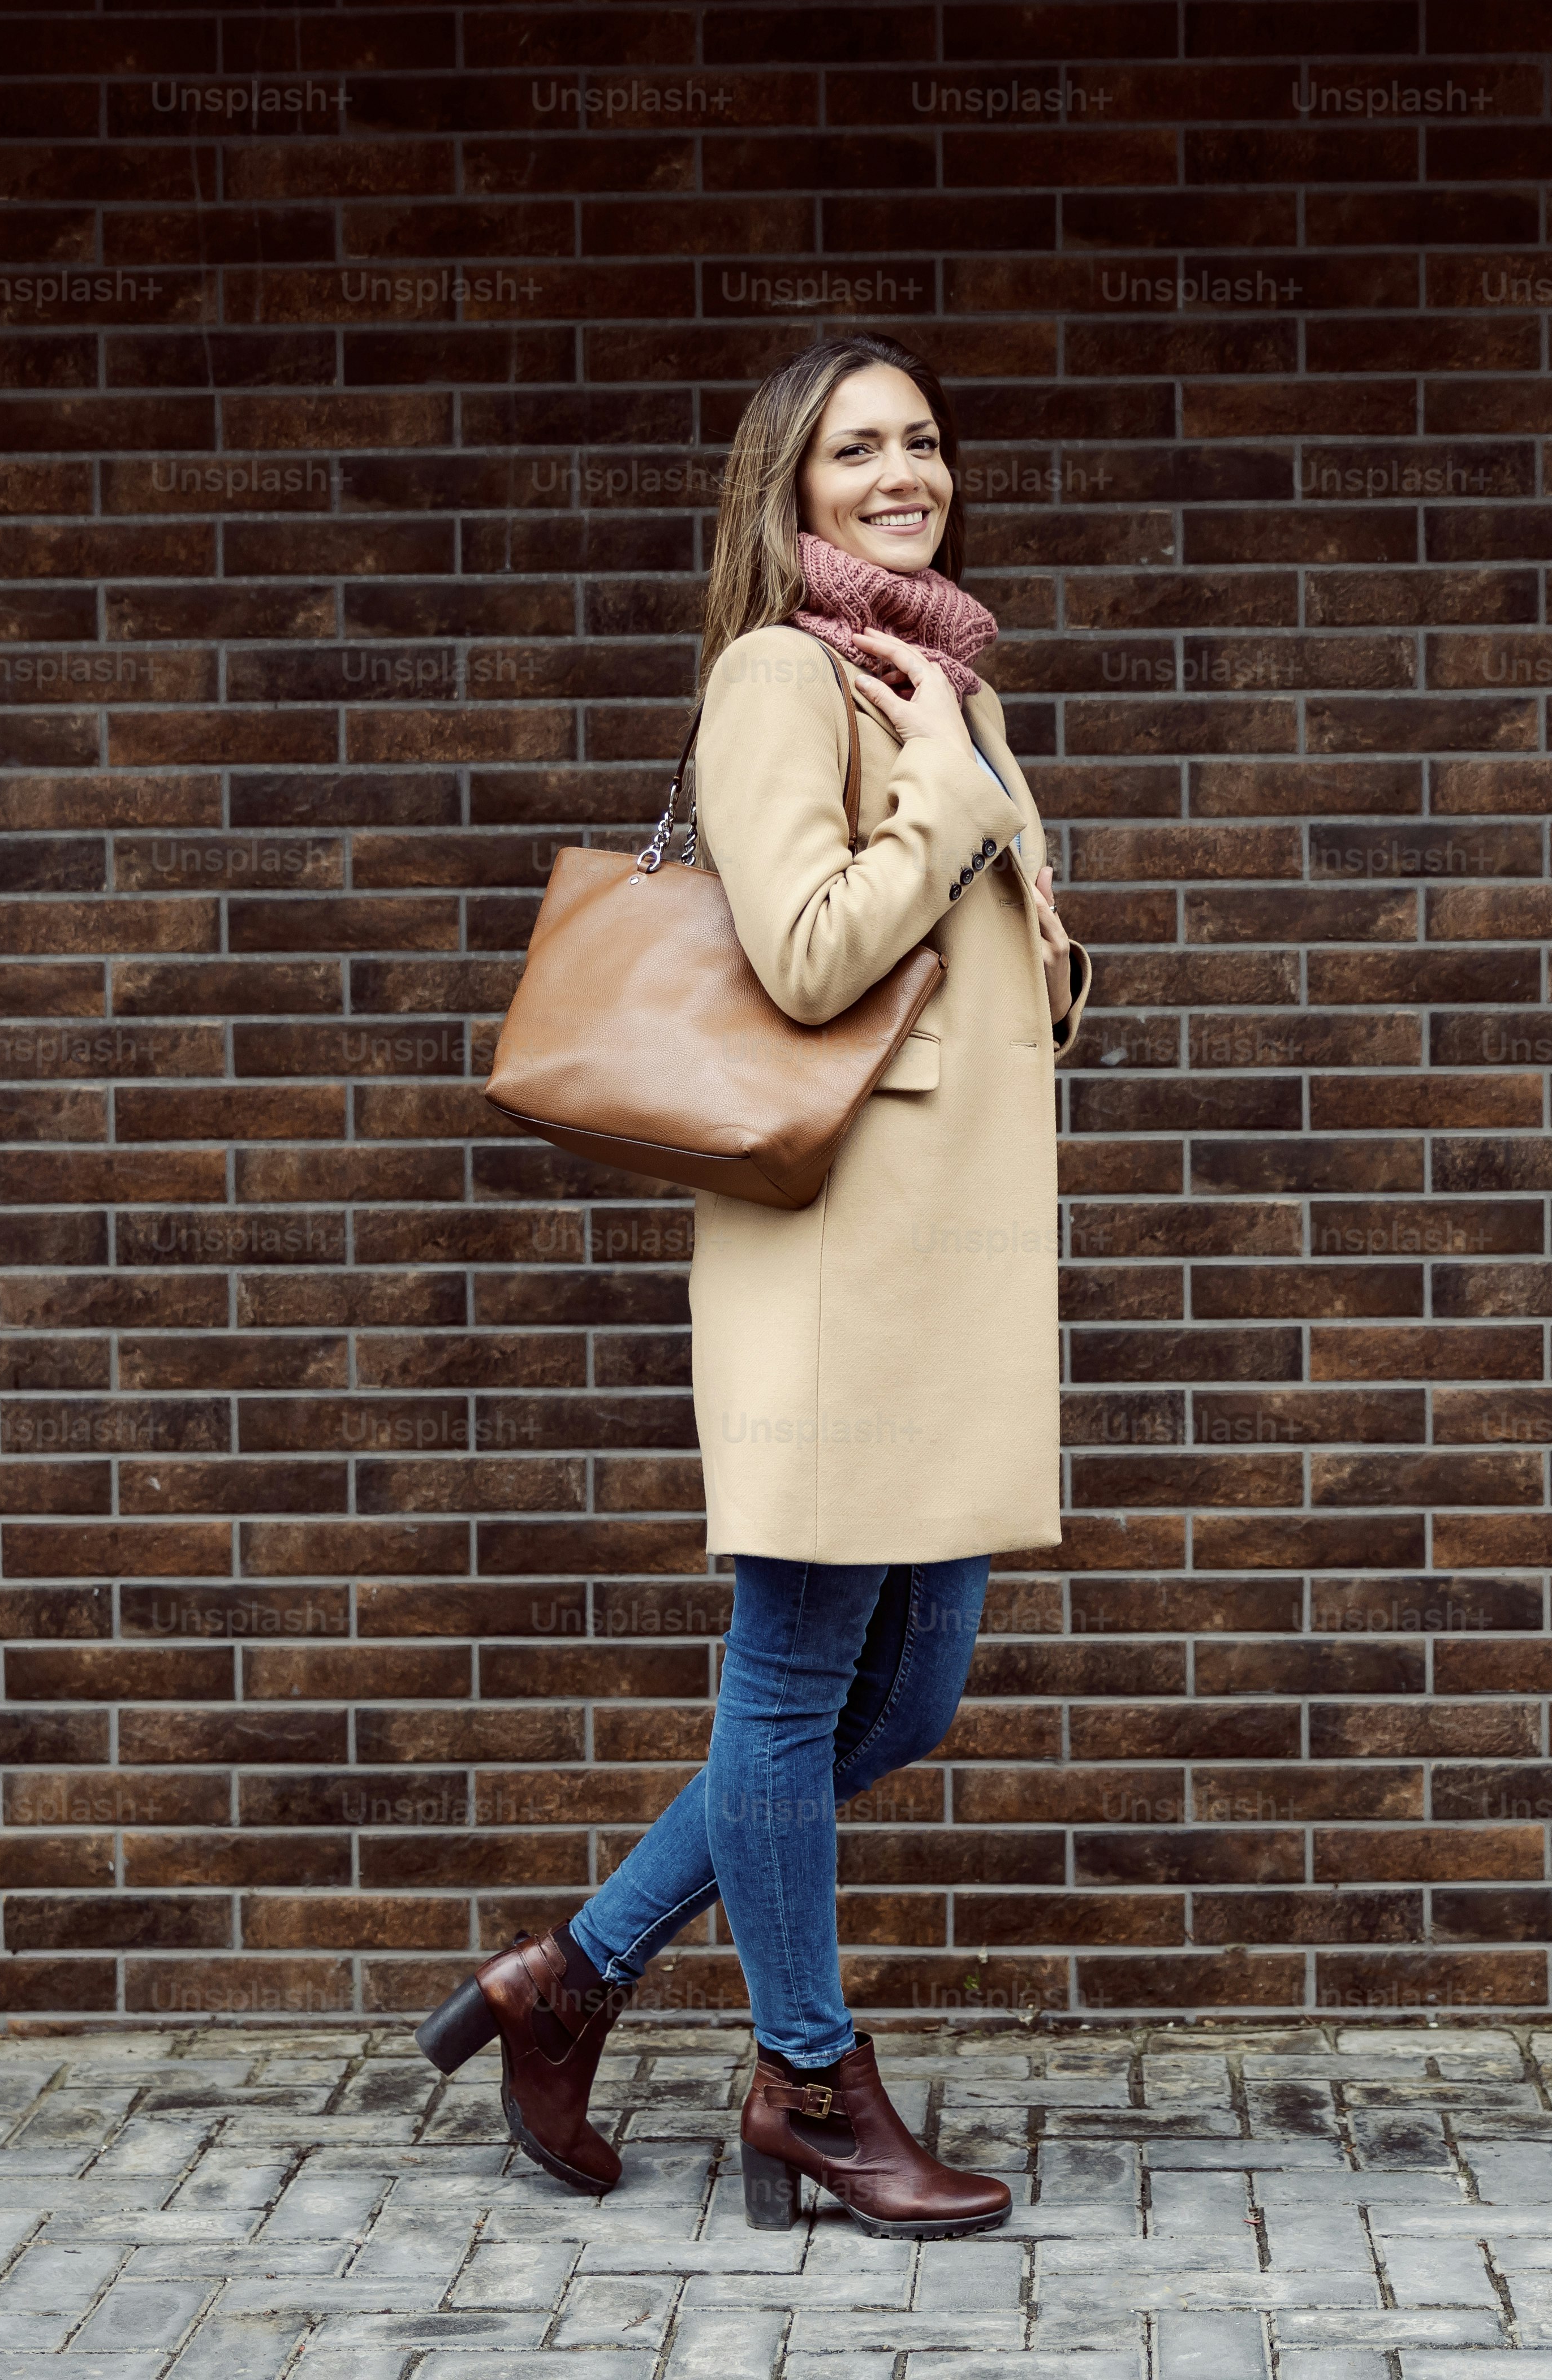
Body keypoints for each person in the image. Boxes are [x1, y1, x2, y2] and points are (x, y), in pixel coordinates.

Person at [417, 333, 1095, 2239]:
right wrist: (954, 805)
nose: (904, 472)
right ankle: (810, 2084)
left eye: (926, 441)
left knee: (903, 1698)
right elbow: (804, 958)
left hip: (945, 1271)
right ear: (788, 487)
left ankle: (573, 1972)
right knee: (797, 1686)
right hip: (833, 1267)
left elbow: (1001, 973)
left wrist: (1013, 885)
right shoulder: (780, 676)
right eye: (857, 446)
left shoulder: (938, 679)